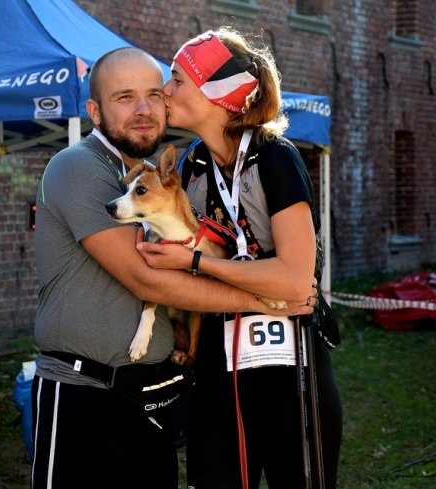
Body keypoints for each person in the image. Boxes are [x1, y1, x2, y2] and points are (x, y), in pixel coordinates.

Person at [31, 47, 317, 489]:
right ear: (94, 110)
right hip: (87, 393)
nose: (145, 109)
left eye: (154, 93)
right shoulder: (79, 168)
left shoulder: (176, 175)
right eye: (124, 97)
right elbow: (147, 278)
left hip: (157, 396)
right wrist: (270, 301)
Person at [136, 29, 343, 489]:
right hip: (216, 367)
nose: (165, 92)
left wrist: (196, 266)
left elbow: (294, 281)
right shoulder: (189, 167)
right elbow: (167, 269)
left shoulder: (275, 159)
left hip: (294, 370)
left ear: (217, 94)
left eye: (176, 80)